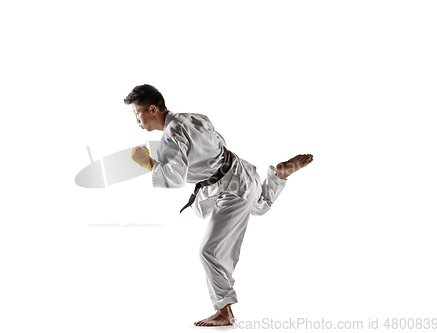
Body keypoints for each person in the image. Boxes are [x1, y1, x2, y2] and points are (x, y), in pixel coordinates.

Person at [125, 84, 313, 327]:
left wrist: (149, 162)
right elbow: (217, 141)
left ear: (152, 109)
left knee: (209, 251)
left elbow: (175, 178)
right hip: (241, 172)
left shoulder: (171, 136)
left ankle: (225, 312)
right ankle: (279, 175)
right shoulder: (193, 117)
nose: (136, 120)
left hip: (232, 190)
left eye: (136, 113)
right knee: (259, 206)